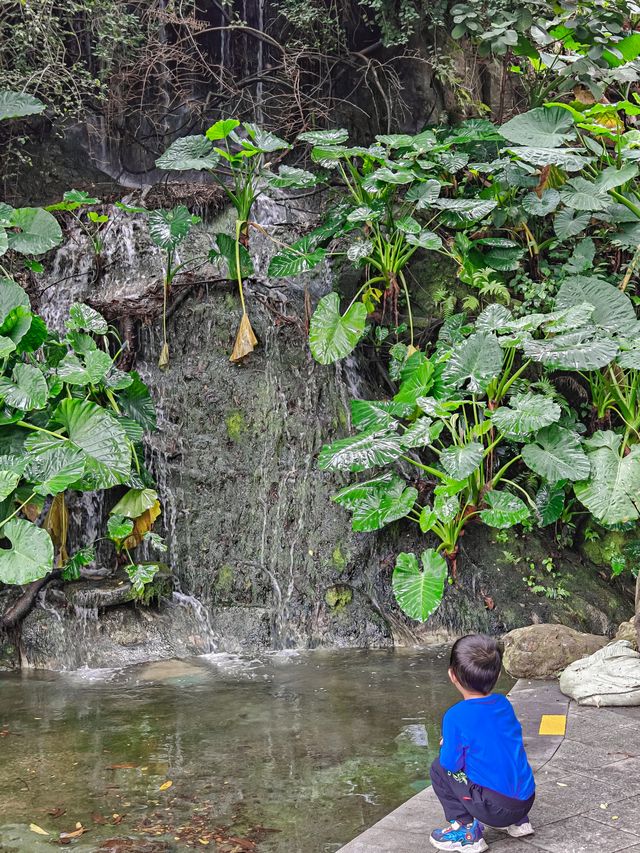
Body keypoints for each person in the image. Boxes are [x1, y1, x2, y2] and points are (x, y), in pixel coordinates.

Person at [429, 634, 535, 852]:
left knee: (438, 768)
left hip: (495, 809)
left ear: (452, 675)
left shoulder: (455, 716)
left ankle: (467, 831)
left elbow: (451, 764)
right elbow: (494, 741)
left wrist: (448, 744)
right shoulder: (503, 704)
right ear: (496, 675)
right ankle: (519, 822)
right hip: (526, 799)